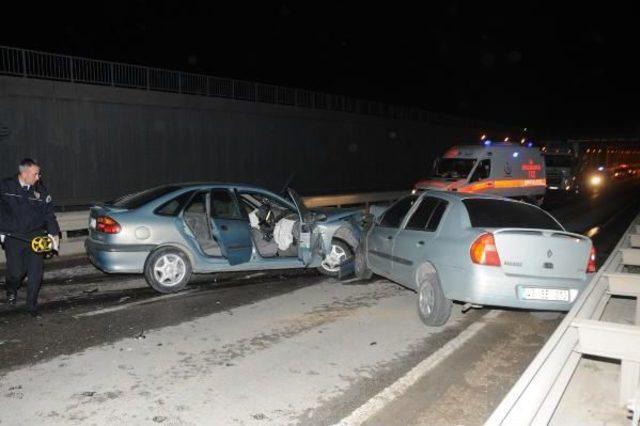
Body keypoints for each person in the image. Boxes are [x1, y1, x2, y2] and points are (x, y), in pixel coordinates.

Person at [0, 158, 60, 317]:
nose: (38, 177)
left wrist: (54, 234)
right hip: (14, 236)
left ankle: (31, 305)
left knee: (35, 272)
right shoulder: (5, 187)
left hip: (36, 236)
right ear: (24, 173)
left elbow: (49, 214)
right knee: (16, 272)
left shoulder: (40, 190)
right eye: (35, 174)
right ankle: (11, 288)